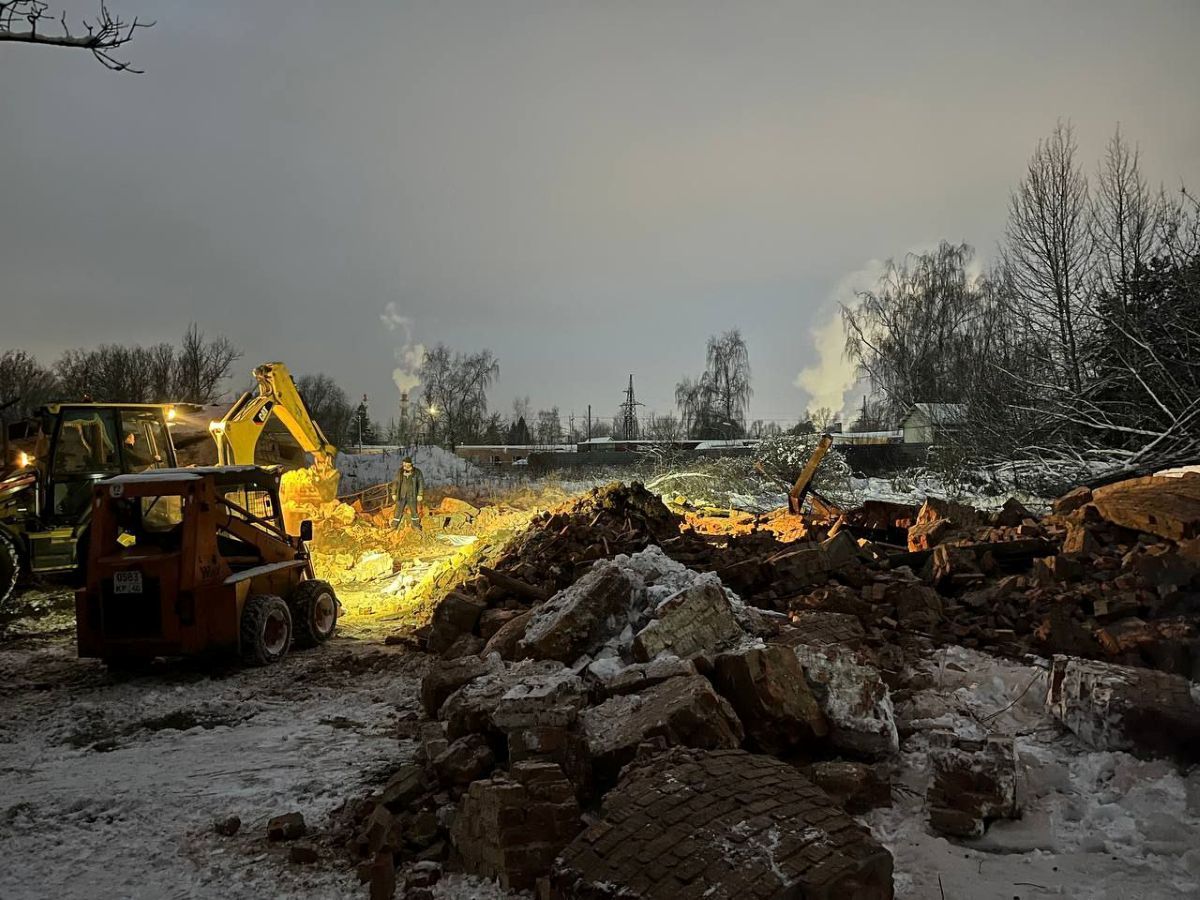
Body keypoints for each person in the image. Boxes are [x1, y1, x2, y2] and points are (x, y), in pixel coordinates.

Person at [391, 456, 424, 531]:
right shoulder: (400, 471)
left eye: (406, 464)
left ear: (410, 464)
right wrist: (393, 493)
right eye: (403, 464)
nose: (404, 465)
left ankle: (416, 525)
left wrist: (420, 494)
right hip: (401, 495)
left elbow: (421, 483)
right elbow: (395, 482)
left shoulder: (417, 472)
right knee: (398, 510)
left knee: (414, 511)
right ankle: (394, 526)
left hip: (412, 495)